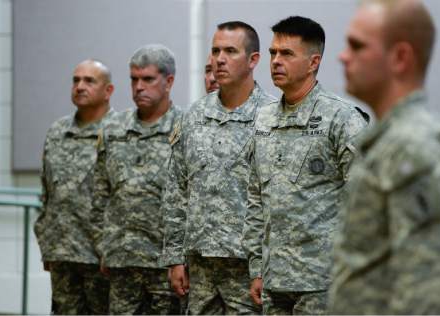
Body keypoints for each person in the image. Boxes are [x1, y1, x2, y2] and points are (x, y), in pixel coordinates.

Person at [329, 0, 440, 314]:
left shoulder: (415, 150)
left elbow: (429, 296)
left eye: (357, 46)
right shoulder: (391, 142)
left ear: (400, 58)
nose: (343, 56)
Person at [242, 16, 367, 315]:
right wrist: (257, 267)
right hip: (275, 280)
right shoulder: (263, 119)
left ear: (313, 62)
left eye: (287, 54)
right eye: (273, 53)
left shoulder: (342, 118)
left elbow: (366, 203)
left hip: (324, 280)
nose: (275, 61)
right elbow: (256, 197)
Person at [164, 21, 275, 315]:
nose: (220, 59)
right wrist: (175, 257)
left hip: (247, 268)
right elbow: (177, 188)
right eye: (215, 51)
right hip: (200, 268)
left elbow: (277, 197)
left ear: (253, 60)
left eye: (230, 51)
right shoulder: (194, 116)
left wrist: (263, 266)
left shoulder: (271, 117)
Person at [92, 44, 181, 315]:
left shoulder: (186, 127)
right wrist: (102, 246)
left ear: (168, 82)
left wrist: (180, 258)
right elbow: (99, 193)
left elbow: (193, 197)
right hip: (122, 260)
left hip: (165, 264)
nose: (139, 87)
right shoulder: (113, 128)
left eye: (148, 79)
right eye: (134, 79)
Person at [34, 59, 116, 314]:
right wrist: (46, 243)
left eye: (89, 81)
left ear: (108, 91)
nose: (80, 86)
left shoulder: (120, 132)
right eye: (76, 80)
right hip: (63, 253)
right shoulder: (58, 131)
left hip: (101, 257)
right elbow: (47, 191)